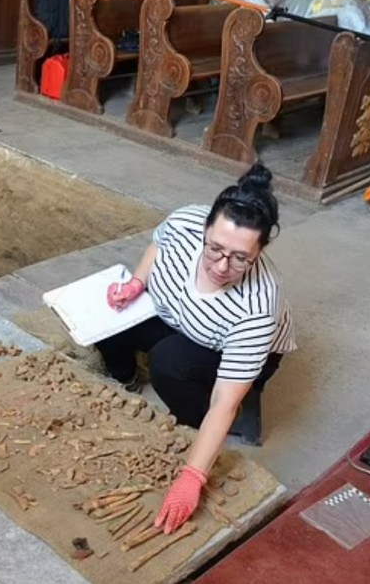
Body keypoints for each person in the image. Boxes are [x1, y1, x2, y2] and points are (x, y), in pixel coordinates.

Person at [96, 164, 295, 534]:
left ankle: (192, 425)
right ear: (204, 229)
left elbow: (224, 401)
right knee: (107, 309)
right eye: (215, 249)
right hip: (182, 317)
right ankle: (124, 379)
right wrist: (138, 284)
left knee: (169, 362)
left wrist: (193, 475)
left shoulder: (257, 307)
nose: (222, 265)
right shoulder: (184, 222)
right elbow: (157, 245)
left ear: (261, 250)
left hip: (229, 346)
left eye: (240, 258)